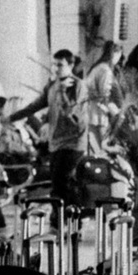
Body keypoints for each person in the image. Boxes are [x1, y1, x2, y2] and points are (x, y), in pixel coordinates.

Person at [8, 49, 86, 193]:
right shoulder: (52, 85)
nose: (56, 69)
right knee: (57, 184)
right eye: (54, 65)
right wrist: (11, 117)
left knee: (64, 184)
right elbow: (35, 106)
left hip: (73, 144)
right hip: (56, 144)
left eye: (60, 65)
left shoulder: (78, 86)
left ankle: (66, 214)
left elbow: (70, 113)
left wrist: (62, 92)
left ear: (71, 65)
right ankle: (60, 214)